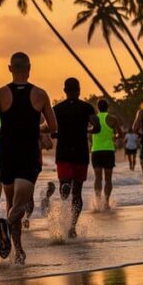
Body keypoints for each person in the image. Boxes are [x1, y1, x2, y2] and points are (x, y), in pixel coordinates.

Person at [0, 52, 58, 263]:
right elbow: (53, 127)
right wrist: (36, 127)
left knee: (10, 202)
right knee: (20, 205)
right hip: (27, 154)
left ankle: (18, 252)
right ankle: (6, 227)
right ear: (30, 68)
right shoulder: (40, 95)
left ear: (9, 68)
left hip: (6, 153)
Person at [52, 78, 100, 237]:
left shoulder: (57, 109)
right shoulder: (87, 107)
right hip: (80, 152)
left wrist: (54, 133)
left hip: (63, 152)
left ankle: (64, 185)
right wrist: (88, 131)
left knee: (65, 183)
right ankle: (72, 226)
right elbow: (97, 126)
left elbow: (49, 127)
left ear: (64, 91)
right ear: (79, 90)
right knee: (77, 192)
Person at [90, 98, 122, 211]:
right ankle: (106, 203)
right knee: (108, 179)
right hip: (108, 151)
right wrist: (114, 136)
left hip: (96, 151)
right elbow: (120, 134)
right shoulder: (113, 119)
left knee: (98, 178)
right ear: (107, 107)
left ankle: (98, 203)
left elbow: (89, 132)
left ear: (98, 107)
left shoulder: (93, 119)